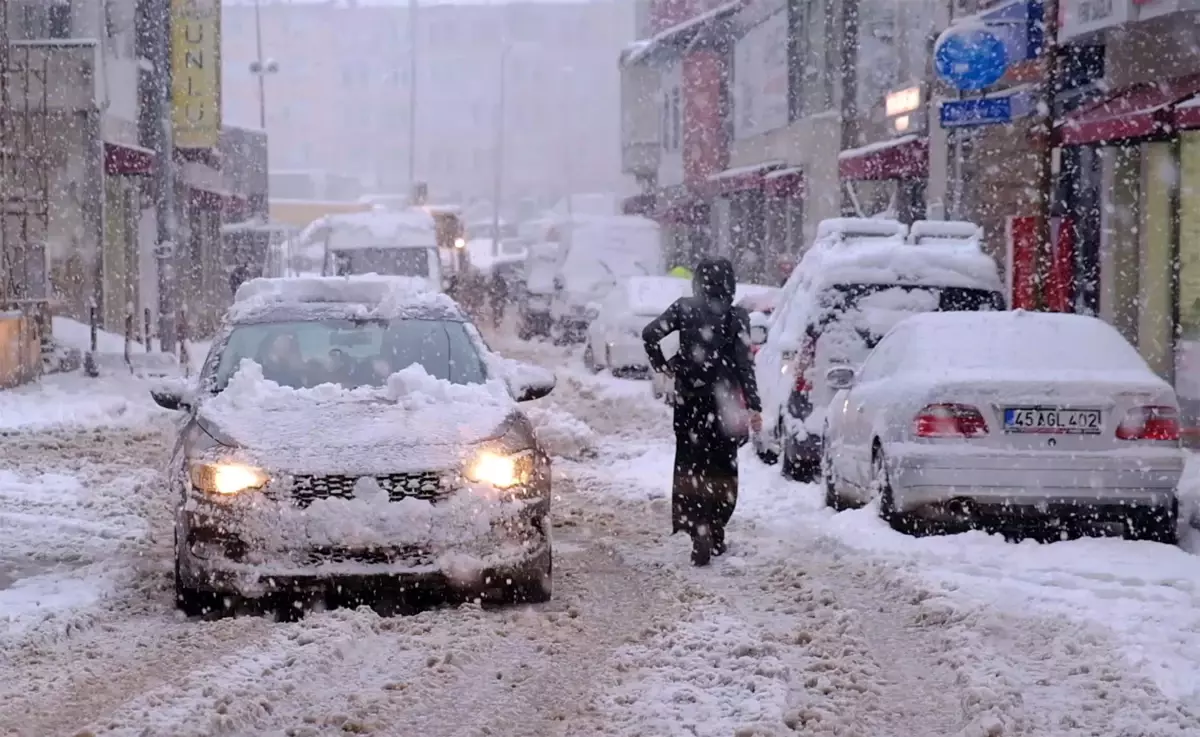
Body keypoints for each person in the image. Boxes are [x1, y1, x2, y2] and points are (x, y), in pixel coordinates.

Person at [642, 258, 763, 566]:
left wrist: (667, 364)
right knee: (724, 468)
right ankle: (717, 523)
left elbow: (650, 334)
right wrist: (753, 404)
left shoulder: (684, 308)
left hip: (690, 404)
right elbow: (744, 365)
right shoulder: (737, 318)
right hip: (726, 408)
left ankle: (698, 527)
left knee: (690, 467)